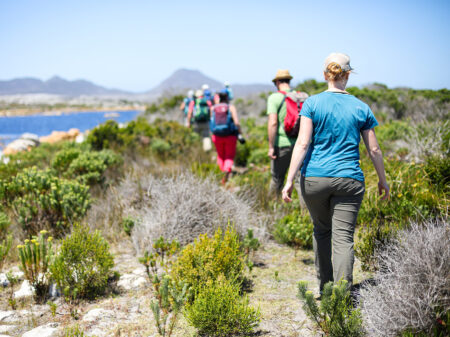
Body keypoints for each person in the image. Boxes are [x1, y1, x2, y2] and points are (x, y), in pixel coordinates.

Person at [281, 53, 390, 292]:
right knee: (343, 239)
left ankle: (325, 290)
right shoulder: (361, 107)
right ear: (348, 75)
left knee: (321, 231)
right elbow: (374, 149)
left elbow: (302, 144)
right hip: (349, 180)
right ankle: (342, 297)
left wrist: (289, 180)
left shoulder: (312, 104)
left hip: (314, 179)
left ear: (325, 75)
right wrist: (383, 180)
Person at [267, 69, 298, 197]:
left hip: (282, 145)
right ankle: (304, 214)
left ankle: (272, 209)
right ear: (289, 81)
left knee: (277, 178)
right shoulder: (300, 96)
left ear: (278, 82)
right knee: (299, 180)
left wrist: (271, 147)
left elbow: (273, 123)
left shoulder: (274, 98)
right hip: (300, 144)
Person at [210, 89, 241, 184]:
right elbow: (236, 122)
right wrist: (240, 132)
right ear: (227, 97)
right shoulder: (231, 107)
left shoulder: (213, 108)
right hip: (230, 136)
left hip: (217, 136)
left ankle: (221, 174)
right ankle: (226, 173)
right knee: (229, 156)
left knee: (220, 156)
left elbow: (211, 122)